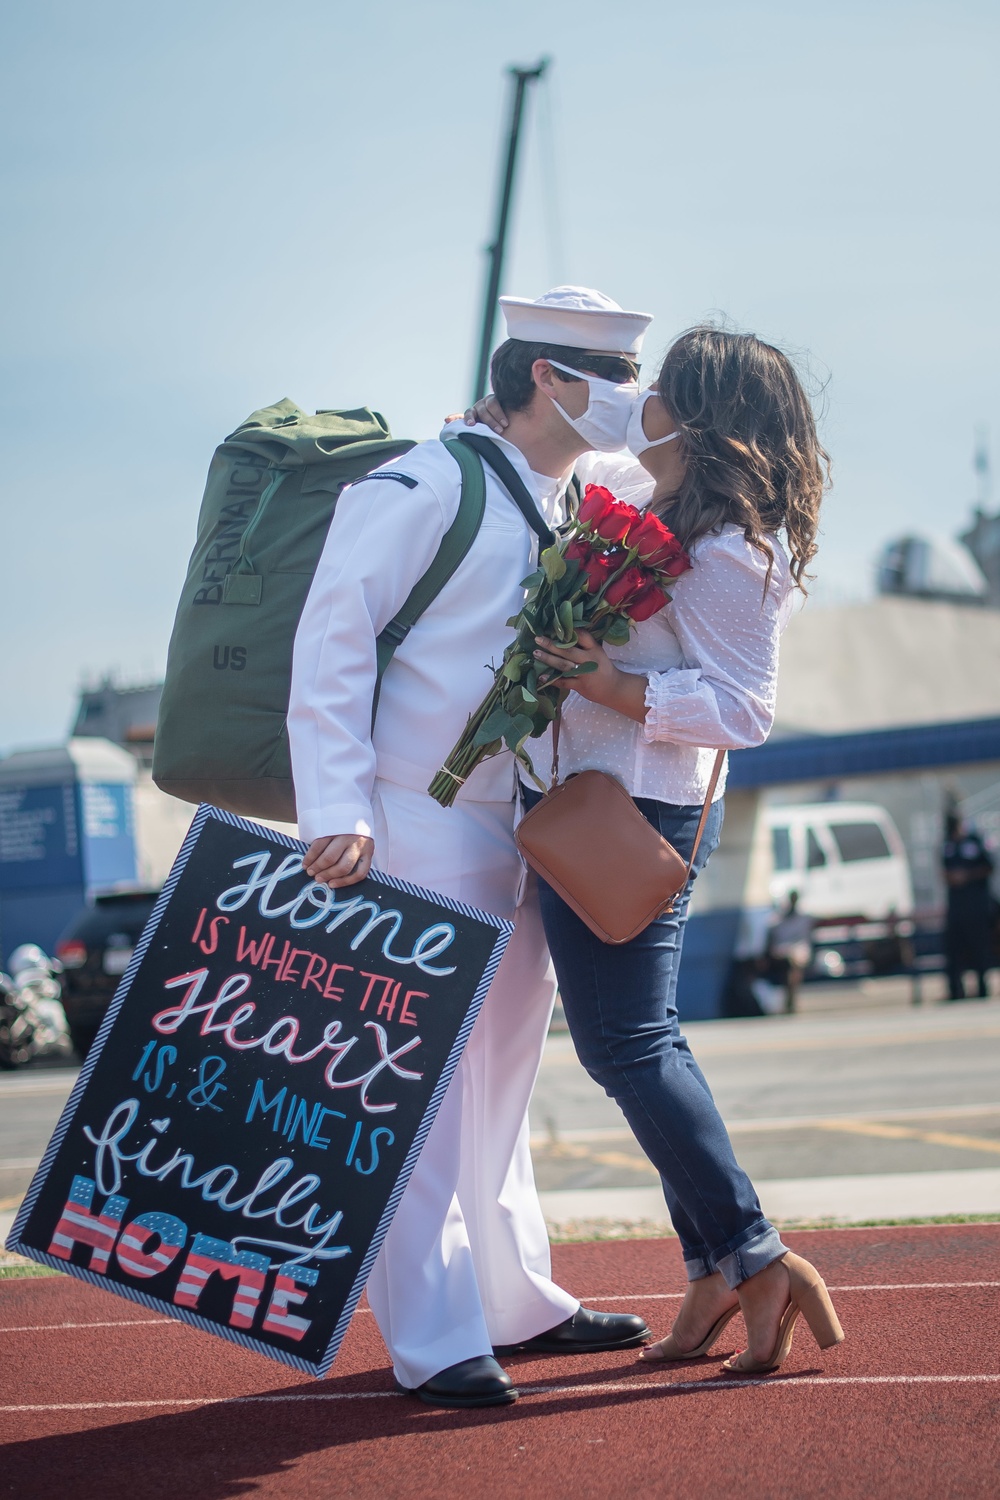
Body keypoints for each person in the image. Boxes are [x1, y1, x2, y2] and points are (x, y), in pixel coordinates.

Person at [286, 286, 652, 1409]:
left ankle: (514, 1299)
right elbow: (333, 636)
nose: (629, 404)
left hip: (520, 820)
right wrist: (334, 808)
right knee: (423, 1090)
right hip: (414, 816)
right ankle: (438, 1336)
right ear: (547, 377)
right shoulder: (425, 482)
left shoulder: (567, 492)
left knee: (498, 1081)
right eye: (614, 379)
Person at [470, 325, 844, 1374]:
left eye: (667, 388)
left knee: (629, 1044)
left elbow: (743, 709)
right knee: (625, 1044)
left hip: (640, 809)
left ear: (705, 412)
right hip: (595, 795)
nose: (646, 399)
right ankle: (712, 1270)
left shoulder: (733, 550)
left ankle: (754, 1254)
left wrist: (608, 687)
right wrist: (495, 429)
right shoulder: (648, 490)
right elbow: (575, 454)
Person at [942, 812, 996, 1001]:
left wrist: (968, 875)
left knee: (980, 948)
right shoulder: (947, 845)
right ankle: (956, 990)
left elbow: (989, 866)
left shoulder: (975, 842)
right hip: (957, 908)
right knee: (954, 950)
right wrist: (952, 877)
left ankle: (982, 988)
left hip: (978, 907)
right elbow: (943, 870)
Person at [765, 891, 814, 1014]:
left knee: (793, 966)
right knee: (790, 968)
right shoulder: (779, 918)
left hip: (797, 951)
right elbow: (772, 939)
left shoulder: (803, 918)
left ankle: (790, 1000)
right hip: (783, 952)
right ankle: (789, 1000)